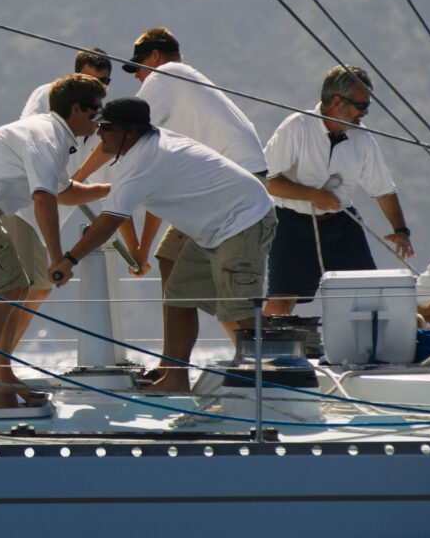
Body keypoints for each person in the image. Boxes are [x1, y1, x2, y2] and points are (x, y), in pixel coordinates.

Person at [49, 97, 276, 392]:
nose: (98, 131)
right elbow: (131, 207)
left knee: (238, 307)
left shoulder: (143, 162)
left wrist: (68, 261)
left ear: (129, 133)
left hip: (244, 220)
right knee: (179, 294)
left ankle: (276, 381)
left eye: (106, 127)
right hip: (213, 229)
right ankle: (176, 378)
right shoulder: (143, 150)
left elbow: (108, 222)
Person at [97, 27, 269, 390]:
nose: (140, 76)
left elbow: (121, 131)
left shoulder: (166, 76)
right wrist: (142, 248)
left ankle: (260, 365)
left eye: (139, 67)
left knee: (228, 289)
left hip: (234, 190)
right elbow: (167, 194)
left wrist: (74, 179)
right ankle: (173, 370)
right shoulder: (182, 97)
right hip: (228, 185)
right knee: (170, 262)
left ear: (155, 58)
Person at [0, 73, 109, 409]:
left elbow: (64, 191)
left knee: (14, 287)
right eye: (94, 112)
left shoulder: (53, 135)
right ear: (76, 109)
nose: (98, 121)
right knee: (9, 288)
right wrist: (58, 258)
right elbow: (43, 199)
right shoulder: (47, 137)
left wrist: (113, 191)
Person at [262, 65, 414, 318]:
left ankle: (369, 352)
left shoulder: (362, 138)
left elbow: (383, 189)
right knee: (280, 303)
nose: (364, 113)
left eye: (367, 106)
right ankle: (264, 355)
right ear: (336, 102)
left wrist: (401, 231)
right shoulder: (297, 127)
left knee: (369, 296)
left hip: (342, 224)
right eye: (361, 105)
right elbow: (266, 180)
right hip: (293, 225)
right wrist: (312, 195)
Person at [6, 48, 115, 353]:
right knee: (28, 288)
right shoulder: (49, 95)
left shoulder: (99, 117)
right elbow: (32, 141)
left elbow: (108, 180)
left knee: (34, 291)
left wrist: (136, 249)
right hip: (25, 208)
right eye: (93, 79)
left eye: (105, 81)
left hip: (51, 214)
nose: (101, 86)